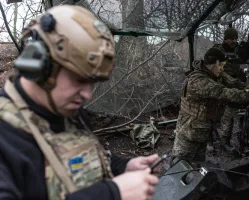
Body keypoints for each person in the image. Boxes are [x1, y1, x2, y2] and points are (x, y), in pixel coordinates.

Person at [0, 5, 159, 200]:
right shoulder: (6, 134)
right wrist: (113, 193)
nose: (87, 95)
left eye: (93, 83)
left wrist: (123, 167)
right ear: (41, 64)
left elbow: (81, 159)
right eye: (80, 80)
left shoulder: (67, 111)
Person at [172, 47, 249, 164]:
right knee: (179, 166)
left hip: (202, 131)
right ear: (211, 63)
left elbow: (234, 83)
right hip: (188, 133)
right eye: (220, 65)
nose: (222, 69)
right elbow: (224, 93)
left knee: (197, 166)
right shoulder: (197, 80)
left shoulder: (216, 74)